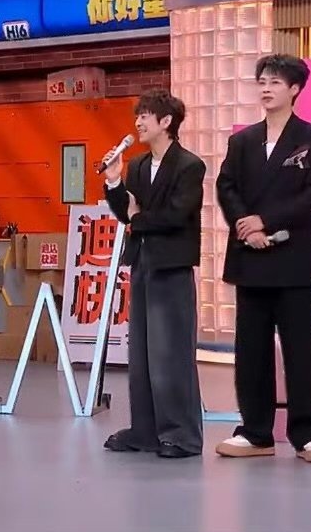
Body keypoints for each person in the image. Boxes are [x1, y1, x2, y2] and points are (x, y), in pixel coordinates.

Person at [215, 53, 311, 464]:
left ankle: (309, 434)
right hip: (250, 257)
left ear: (295, 89)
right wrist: (246, 227)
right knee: (251, 351)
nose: (266, 89)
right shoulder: (242, 141)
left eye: (275, 83)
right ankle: (255, 432)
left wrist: (265, 220)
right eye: (262, 82)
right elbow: (226, 187)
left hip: (292, 259)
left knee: (300, 351)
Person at [101, 89, 205, 459]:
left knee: (171, 353)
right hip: (143, 262)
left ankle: (182, 435)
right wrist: (114, 182)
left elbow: (176, 215)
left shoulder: (189, 166)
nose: (138, 122)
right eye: (138, 115)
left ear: (166, 121)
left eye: (145, 116)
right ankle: (145, 431)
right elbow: (125, 212)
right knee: (142, 353)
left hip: (172, 266)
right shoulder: (139, 166)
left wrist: (138, 218)